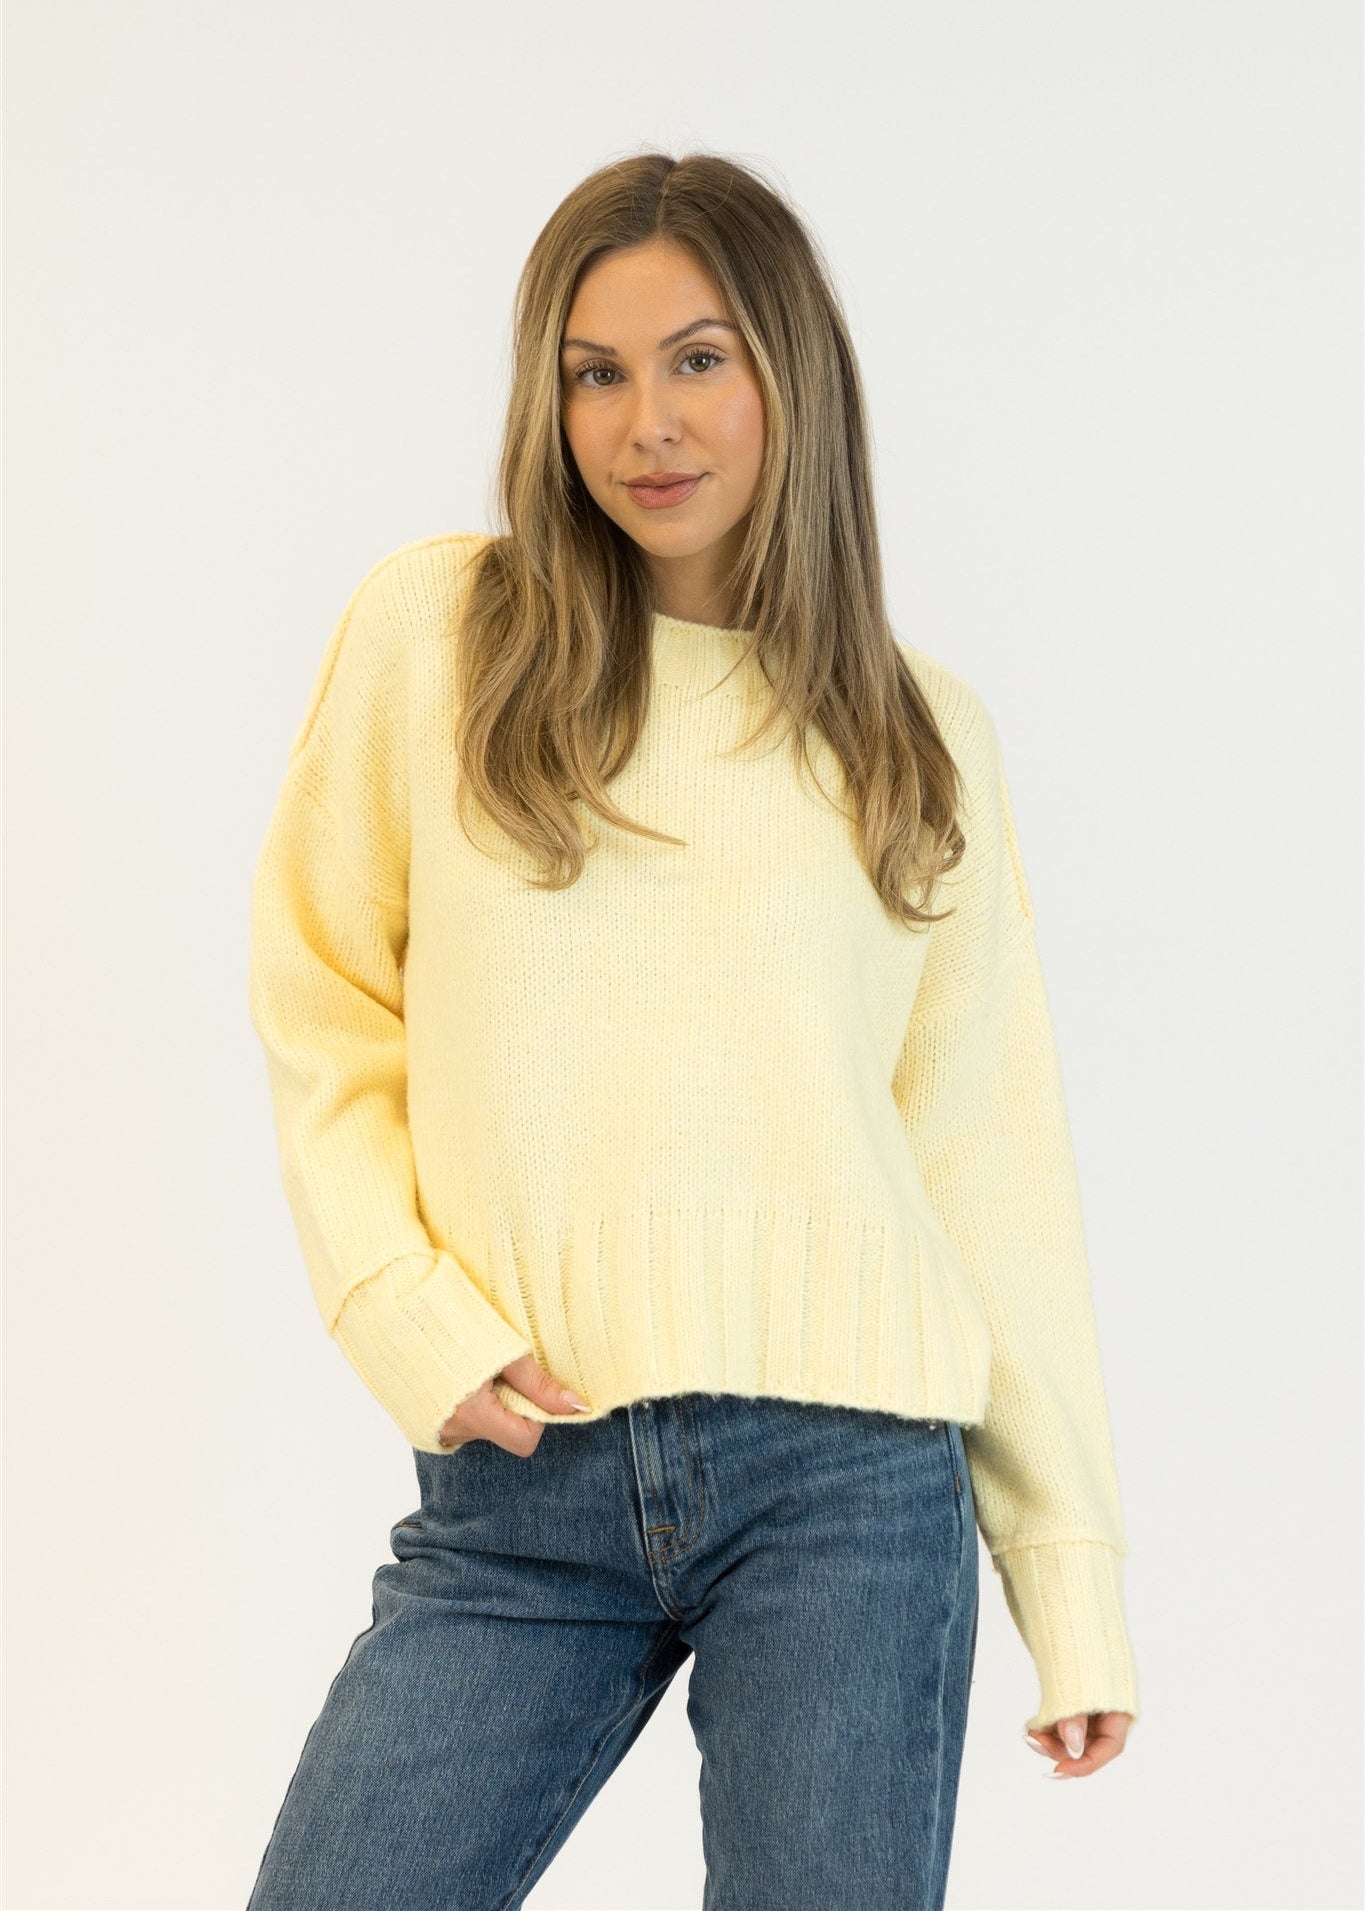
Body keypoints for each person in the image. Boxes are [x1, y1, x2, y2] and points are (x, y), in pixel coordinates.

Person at [245, 149, 1139, 1910]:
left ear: (790, 375)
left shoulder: (916, 736)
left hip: (851, 1495)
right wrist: (405, 1309)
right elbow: (323, 1001)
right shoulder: (446, 637)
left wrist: (1067, 1569)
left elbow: (987, 1160)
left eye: (699, 358)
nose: (645, 421)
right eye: (597, 370)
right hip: (519, 1483)